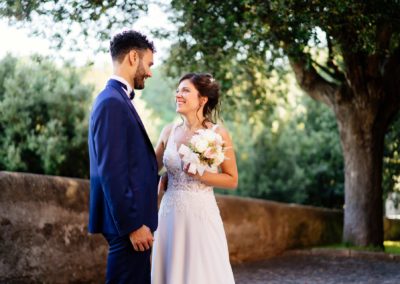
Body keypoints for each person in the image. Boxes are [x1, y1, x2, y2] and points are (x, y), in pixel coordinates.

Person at [151, 73, 238, 284]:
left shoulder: (218, 134)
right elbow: (150, 170)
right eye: (178, 90)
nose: (178, 95)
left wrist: (202, 174)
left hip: (201, 214)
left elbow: (232, 179)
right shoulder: (168, 132)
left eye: (185, 90)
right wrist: (159, 179)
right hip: (170, 214)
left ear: (203, 99)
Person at [88, 30, 158, 284]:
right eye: (148, 64)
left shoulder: (116, 99)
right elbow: (112, 171)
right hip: (128, 226)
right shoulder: (112, 102)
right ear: (132, 57)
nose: (150, 72)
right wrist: (132, 225)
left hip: (130, 223)